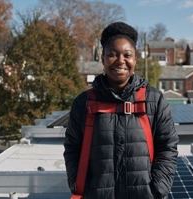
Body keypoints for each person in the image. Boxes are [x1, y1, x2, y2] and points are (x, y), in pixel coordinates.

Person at [64, 21, 179, 199]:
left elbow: (168, 147)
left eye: (127, 55)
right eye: (112, 55)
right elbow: (72, 148)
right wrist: (78, 184)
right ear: (102, 59)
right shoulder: (83, 103)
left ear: (135, 59)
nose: (120, 61)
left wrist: (157, 189)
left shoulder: (154, 100)